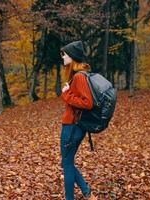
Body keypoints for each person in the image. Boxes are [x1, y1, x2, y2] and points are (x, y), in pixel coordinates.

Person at [59, 41, 97, 200]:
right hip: (73, 125)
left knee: (67, 164)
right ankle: (87, 193)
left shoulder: (80, 77)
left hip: (72, 127)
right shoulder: (77, 75)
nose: (62, 57)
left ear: (73, 56)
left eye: (65, 54)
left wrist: (66, 94)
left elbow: (87, 103)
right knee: (66, 162)